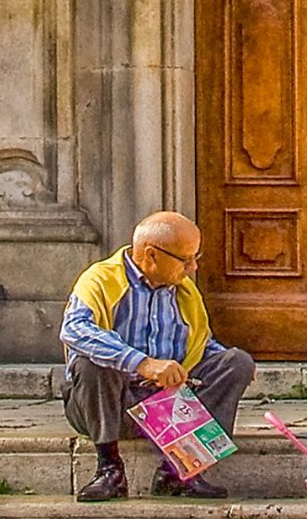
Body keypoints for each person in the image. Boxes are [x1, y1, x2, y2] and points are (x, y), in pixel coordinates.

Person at [60, 211, 255, 502]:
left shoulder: (184, 291)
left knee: (236, 362)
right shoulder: (100, 279)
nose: (193, 267)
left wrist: (231, 372)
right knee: (92, 361)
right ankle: (109, 469)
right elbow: (74, 329)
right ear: (151, 256)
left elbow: (201, 346)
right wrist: (142, 363)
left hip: (165, 407)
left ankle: (178, 472)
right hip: (107, 405)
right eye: (186, 259)